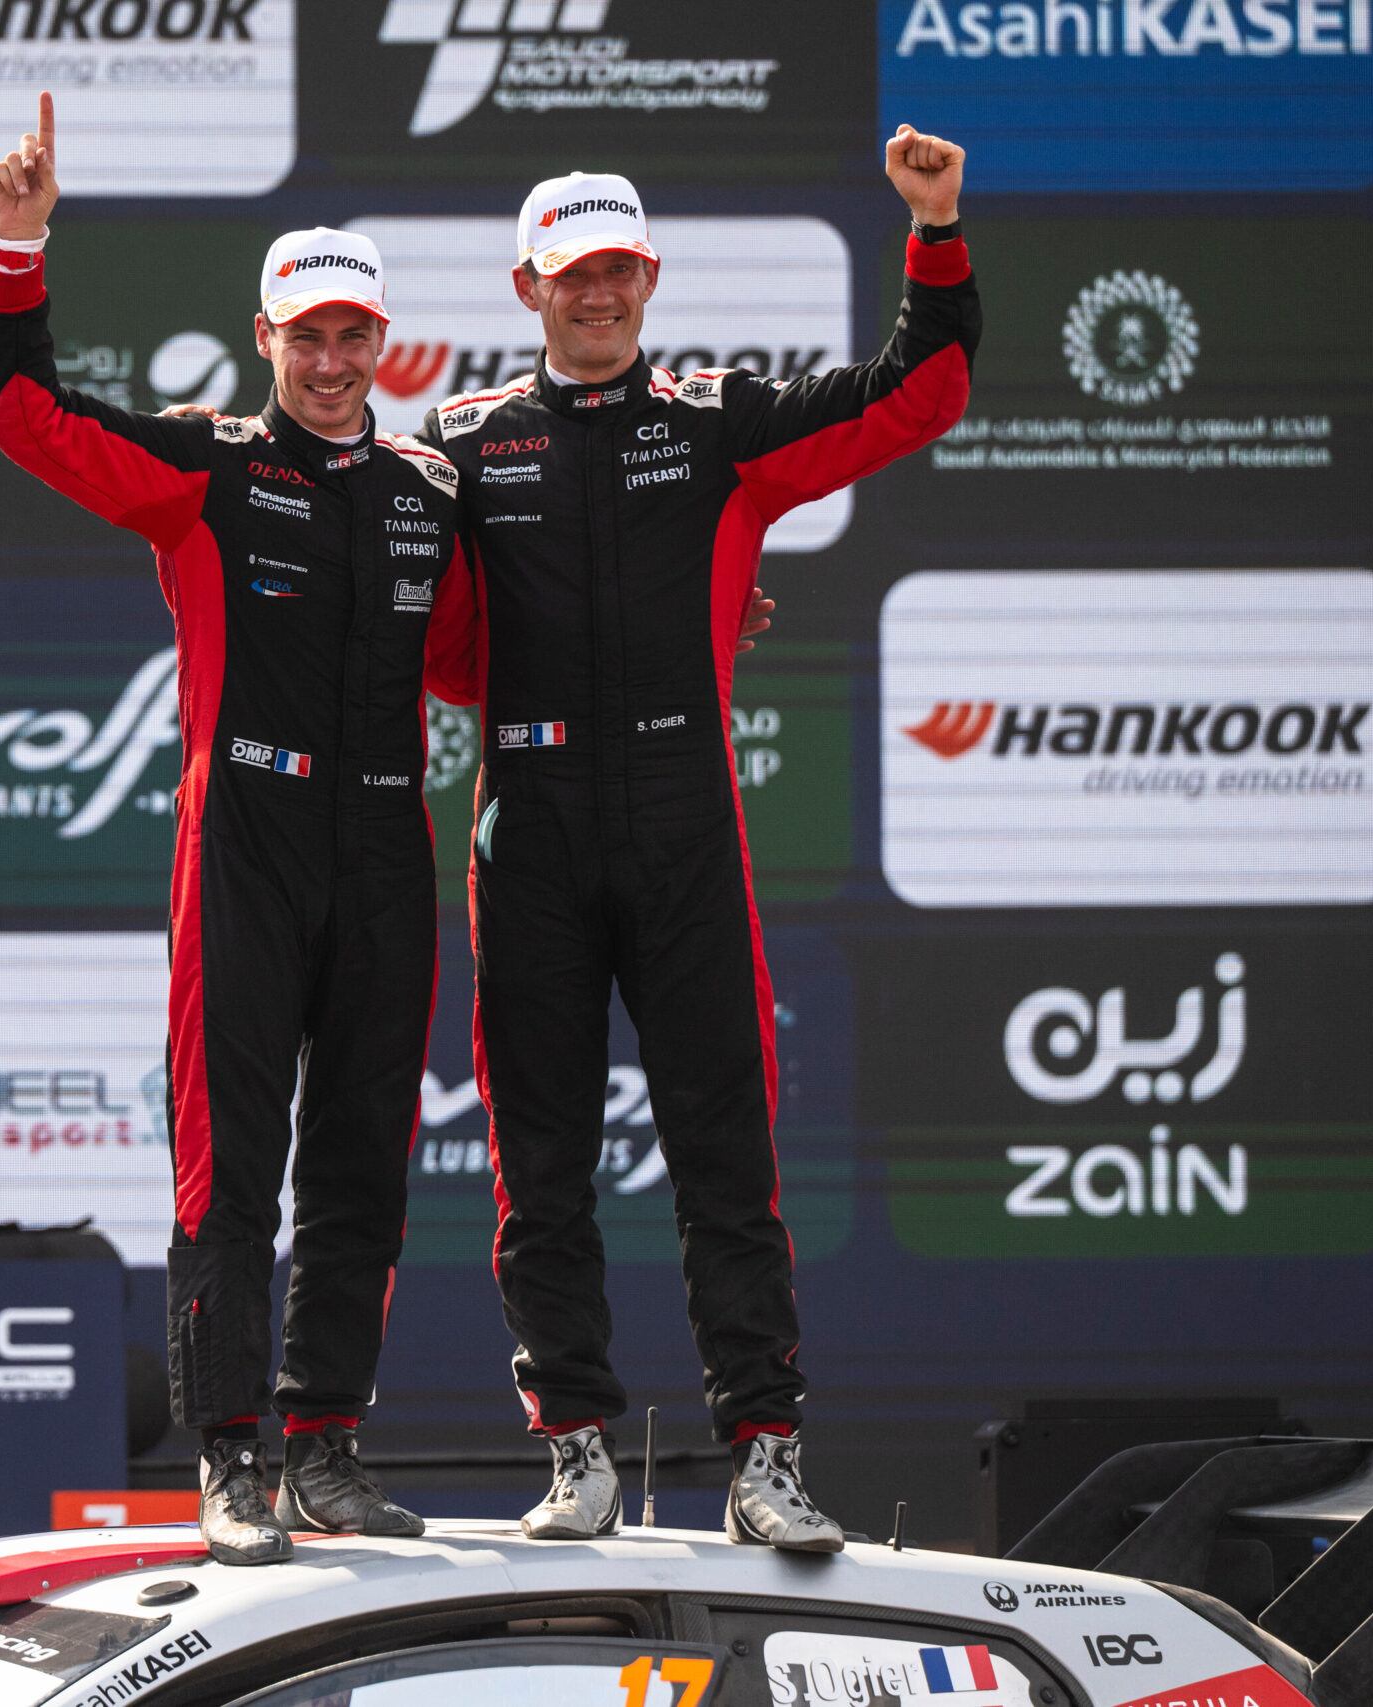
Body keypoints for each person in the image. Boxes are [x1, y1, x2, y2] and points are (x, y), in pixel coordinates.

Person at [417, 126, 980, 1550]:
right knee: (539, 1164)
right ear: (526, 287)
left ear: (648, 279)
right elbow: (406, 612)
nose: (596, 295)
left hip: (684, 830)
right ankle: (576, 1455)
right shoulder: (469, 445)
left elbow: (920, 394)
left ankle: (768, 1457)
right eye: (570, 275)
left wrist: (932, 230)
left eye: (618, 271)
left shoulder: (718, 424)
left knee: (728, 1156)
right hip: (527, 832)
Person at [0, 95, 478, 1564]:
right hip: (244, 838)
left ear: (385, 346)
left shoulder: (426, 493)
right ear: (266, 339)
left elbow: (483, 661)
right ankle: (231, 1460)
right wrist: (18, 246)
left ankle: (326, 1451)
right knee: (228, 1167)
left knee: (366, 1165)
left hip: (388, 849)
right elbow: (28, 418)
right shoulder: (204, 471)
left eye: (353, 338)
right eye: (305, 338)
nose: (330, 363)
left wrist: (713, 630)